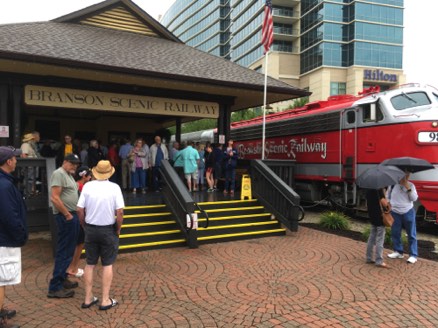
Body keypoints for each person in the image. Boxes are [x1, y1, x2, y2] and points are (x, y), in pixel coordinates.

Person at [77, 160, 124, 311]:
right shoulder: (114, 187)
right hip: (107, 229)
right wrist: (118, 228)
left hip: (90, 229)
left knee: (90, 263)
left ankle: (88, 297)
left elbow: (79, 209)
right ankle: (105, 300)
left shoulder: (88, 186)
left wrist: (84, 225)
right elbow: (120, 212)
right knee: (107, 264)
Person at [47, 153, 81, 298]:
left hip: (70, 215)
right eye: (72, 163)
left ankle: (62, 279)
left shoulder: (67, 174)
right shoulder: (58, 173)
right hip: (65, 216)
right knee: (64, 251)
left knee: (68, 250)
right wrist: (67, 214)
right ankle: (55, 287)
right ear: (65, 161)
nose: (75, 166)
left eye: (76, 164)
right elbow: (54, 197)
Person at [0, 146, 27, 328]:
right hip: (5, 239)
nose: (16, 161)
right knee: (1, 279)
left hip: (4, 238)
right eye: (14, 158)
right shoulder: (4, 185)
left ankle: (1, 309)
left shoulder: (5, 182)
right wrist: (20, 235)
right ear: (8, 161)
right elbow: (9, 215)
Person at [65, 166, 92, 279]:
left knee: (80, 244)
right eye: (89, 175)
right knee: (78, 243)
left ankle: (73, 267)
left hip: (80, 217)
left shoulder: (81, 186)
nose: (91, 177)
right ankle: (72, 268)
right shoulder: (79, 186)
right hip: (79, 218)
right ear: (84, 176)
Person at [387, 171, 419, 264]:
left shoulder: (411, 185)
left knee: (411, 234)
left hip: (408, 211)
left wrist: (407, 186)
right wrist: (389, 204)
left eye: (408, 174)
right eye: (404, 174)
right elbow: (387, 196)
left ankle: (413, 255)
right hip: (395, 212)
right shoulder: (392, 185)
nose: (406, 176)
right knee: (395, 233)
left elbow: (414, 198)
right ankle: (398, 251)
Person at [365, 189, 390, 268]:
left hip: (372, 215)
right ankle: (379, 261)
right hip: (380, 216)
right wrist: (387, 203)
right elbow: (384, 202)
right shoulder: (378, 189)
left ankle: (368, 258)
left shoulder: (368, 188)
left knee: (371, 237)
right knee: (380, 239)